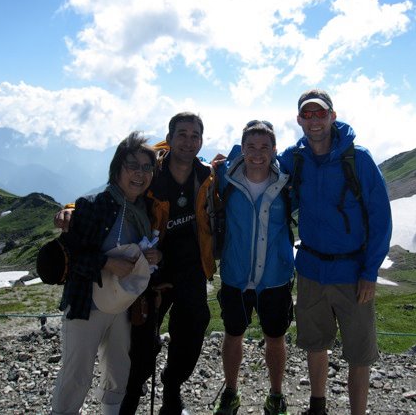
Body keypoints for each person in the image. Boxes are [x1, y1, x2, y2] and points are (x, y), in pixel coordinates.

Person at [55, 113, 217, 415]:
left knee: (191, 332)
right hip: (146, 276)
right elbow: (114, 195)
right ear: (169, 138)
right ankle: (127, 402)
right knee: (140, 347)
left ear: (201, 141)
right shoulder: (152, 173)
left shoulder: (206, 175)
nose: (188, 141)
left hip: (188, 270)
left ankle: (170, 393)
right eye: (181, 134)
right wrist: (73, 208)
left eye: (195, 135)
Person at [277, 89, 392, 415]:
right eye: (307, 114)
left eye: (320, 113)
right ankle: (318, 406)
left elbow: (381, 220)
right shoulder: (295, 158)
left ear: (333, 116)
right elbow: (261, 158)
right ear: (299, 119)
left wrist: (370, 272)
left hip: (352, 273)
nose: (314, 120)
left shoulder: (359, 160)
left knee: (359, 354)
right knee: (316, 344)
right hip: (311, 269)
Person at [51, 131, 161, 415]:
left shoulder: (145, 210)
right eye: (132, 165)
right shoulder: (94, 205)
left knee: (118, 370)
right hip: (86, 303)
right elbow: (69, 257)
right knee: (77, 373)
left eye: (147, 167)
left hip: (123, 305)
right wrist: (107, 263)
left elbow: (144, 250)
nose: (140, 174)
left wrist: (154, 256)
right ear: (117, 168)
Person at [213, 121, 294, 415]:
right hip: (236, 275)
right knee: (233, 334)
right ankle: (231, 392)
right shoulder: (225, 177)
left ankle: (276, 394)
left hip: (275, 277)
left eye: (264, 147)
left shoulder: (286, 181)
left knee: (275, 338)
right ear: (242, 148)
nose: (257, 153)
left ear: (274, 150)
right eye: (251, 146)